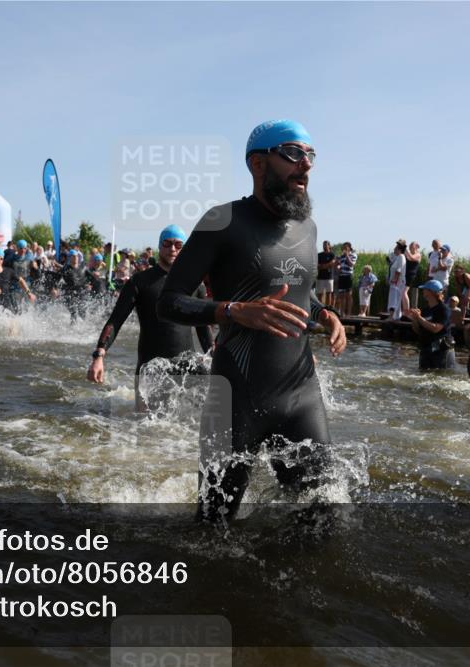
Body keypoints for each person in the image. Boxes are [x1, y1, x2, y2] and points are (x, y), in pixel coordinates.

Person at [157, 119, 347, 523]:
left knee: (322, 517)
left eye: (311, 155)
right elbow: (169, 302)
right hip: (235, 396)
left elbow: (299, 292)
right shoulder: (221, 221)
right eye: (294, 154)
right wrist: (233, 310)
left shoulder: (308, 228)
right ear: (258, 163)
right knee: (213, 526)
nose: (306, 165)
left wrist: (326, 315)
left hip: (301, 394)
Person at [88, 225, 214, 411]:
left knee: (187, 427)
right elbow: (116, 320)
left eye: (178, 245)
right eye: (167, 243)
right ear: (159, 246)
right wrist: (99, 355)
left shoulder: (194, 284)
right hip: (150, 369)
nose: (172, 249)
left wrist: (216, 359)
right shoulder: (140, 282)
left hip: (187, 370)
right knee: (144, 428)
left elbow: (203, 328)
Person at [406, 279, 455, 370]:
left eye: (425, 289)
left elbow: (436, 328)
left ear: (431, 292)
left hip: (441, 351)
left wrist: (419, 318)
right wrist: (415, 319)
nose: (423, 291)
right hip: (426, 349)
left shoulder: (444, 309)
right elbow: (417, 330)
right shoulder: (425, 310)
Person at [335, 242, 357, 315]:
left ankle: (348, 314)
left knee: (349, 295)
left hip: (348, 276)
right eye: (343, 247)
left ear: (349, 248)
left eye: (346, 247)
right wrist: (338, 267)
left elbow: (351, 264)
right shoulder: (341, 256)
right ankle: (342, 313)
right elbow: (339, 266)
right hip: (341, 276)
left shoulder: (353, 255)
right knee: (341, 296)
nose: (344, 249)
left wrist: (347, 255)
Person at [387, 240, 407, 320]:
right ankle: (395, 317)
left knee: (393, 299)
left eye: (395, 248)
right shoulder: (397, 257)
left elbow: (399, 270)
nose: (394, 250)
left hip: (397, 282)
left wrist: (394, 280)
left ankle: (392, 317)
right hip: (395, 282)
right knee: (395, 299)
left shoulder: (401, 256)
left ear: (399, 249)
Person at [402, 241, 421, 312]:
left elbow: (411, 258)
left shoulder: (418, 254)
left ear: (416, 247)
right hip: (404, 274)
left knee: (404, 292)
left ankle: (406, 311)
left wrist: (405, 248)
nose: (410, 246)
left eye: (411, 245)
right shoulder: (408, 253)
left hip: (410, 275)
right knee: (402, 293)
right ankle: (404, 310)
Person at [316, 240, 336, 305]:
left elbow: (332, 263)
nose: (324, 246)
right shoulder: (319, 255)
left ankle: (328, 309)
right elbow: (317, 265)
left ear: (329, 246)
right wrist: (326, 265)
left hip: (329, 277)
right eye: (323, 245)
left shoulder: (332, 255)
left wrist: (322, 266)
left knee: (329, 293)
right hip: (320, 277)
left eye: (326, 244)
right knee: (320, 294)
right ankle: (320, 308)